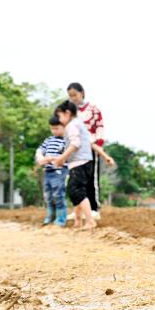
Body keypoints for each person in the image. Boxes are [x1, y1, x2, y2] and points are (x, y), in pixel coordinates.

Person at [49, 101, 98, 230]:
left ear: (67, 113)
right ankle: (78, 221)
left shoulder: (72, 125)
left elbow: (75, 144)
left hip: (79, 163)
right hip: (86, 162)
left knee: (75, 191)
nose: (59, 120)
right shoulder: (79, 124)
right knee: (77, 191)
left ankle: (90, 221)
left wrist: (61, 158)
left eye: (59, 117)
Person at [66, 82, 105, 221]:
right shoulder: (69, 111)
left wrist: (99, 146)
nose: (73, 98)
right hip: (75, 150)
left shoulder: (93, 109)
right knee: (75, 180)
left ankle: (94, 208)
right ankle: (78, 209)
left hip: (90, 148)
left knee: (91, 180)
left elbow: (99, 127)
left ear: (82, 92)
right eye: (70, 96)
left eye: (75, 95)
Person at [35, 115, 68, 226]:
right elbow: (40, 150)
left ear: (64, 127)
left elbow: (68, 156)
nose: (54, 131)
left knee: (58, 195)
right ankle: (50, 216)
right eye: (52, 128)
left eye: (56, 128)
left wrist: (52, 158)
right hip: (48, 172)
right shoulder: (49, 140)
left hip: (59, 171)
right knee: (48, 196)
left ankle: (61, 219)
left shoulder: (66, 141)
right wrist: (40, 158)